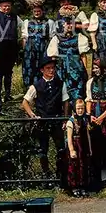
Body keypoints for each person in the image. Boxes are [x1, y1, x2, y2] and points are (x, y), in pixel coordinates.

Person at [21, 56, 70, 184]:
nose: (51, 71)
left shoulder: (60, 83)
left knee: (61, 148)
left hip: (56, 120)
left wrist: (65, 119)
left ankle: (61, 175)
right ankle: (46, 175)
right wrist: (32, 115)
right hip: (42, 122)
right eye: (48, 68)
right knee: (43, 150)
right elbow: (25, 102)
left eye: (53, 68)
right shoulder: (36, 86)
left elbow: (65, 101)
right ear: (42, 70)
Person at [47, 5, 89, 105]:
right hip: (62, 68)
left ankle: (77, 111)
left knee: (77, 90)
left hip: (76, 68)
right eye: (67, 23)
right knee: (62, 90)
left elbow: (83, 56)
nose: (69, 26)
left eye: (71, 23)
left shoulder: (79, 37)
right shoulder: (57, 38)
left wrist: (86, 72)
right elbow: (53, 57)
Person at [85, 57, 106, 186]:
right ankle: (94, 173)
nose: (95, 70)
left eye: (97, 68)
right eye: (94, 68)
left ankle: (105, 173)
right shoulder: (91, 82)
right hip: (93, 115)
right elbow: (88, 99)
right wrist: (89, 115)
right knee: (93, 143)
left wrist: (102, 117)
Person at [22, 0, 55, 88]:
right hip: (30, 49)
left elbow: (52, 38)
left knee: (42, 67)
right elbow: (25, 37)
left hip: (43, 48)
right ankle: (29, 89)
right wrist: (25, 51)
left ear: (42, 11)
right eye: (35, 11)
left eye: (38, 11)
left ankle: (43, 87)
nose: (37, 13)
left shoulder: (49, 22)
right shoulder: (27, 22)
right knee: (29, 68)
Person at [67, 99, 93, 197]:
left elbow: (87, 134)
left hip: (84, 145)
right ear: (74, 109)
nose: (80, 110)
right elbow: (69, 137)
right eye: (78, 108)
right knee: (74, 167)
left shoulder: (85, 119)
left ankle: (83, 186)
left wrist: (90, 148)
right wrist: (71, 150)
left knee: (84, 166)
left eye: (82, 108)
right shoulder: (71, 121)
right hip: (75, 145)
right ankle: (75, 187)